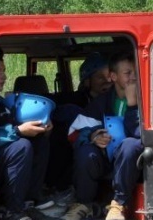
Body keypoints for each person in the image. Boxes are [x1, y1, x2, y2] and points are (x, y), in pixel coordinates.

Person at [61, 51, 142, 220]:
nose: (133, 78)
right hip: (106, 161)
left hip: (134, 164)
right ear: (113, 76)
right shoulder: (102, 102)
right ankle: (83, 204)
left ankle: (119, 204)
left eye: (136, 72)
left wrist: (133, 105)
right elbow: (73, 132)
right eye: (128, 73)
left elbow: (142, 135)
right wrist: (93, 135)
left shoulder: (146, 100)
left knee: (130, 144)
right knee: (86, 151)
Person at [0, 47, 54, 220]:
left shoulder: (1, 102)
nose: (3, 76)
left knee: (39, 141)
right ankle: (11, 213)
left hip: (4, 159)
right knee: (21, 146)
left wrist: (43, 127)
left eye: (4, 71)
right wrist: (19, 131)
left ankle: (28, 204)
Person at [46, 52, 112, 191]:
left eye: (109, 76)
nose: (107, 81)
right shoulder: (73, 103)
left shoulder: (115, 101)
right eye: (100, 77)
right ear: (87, 81)